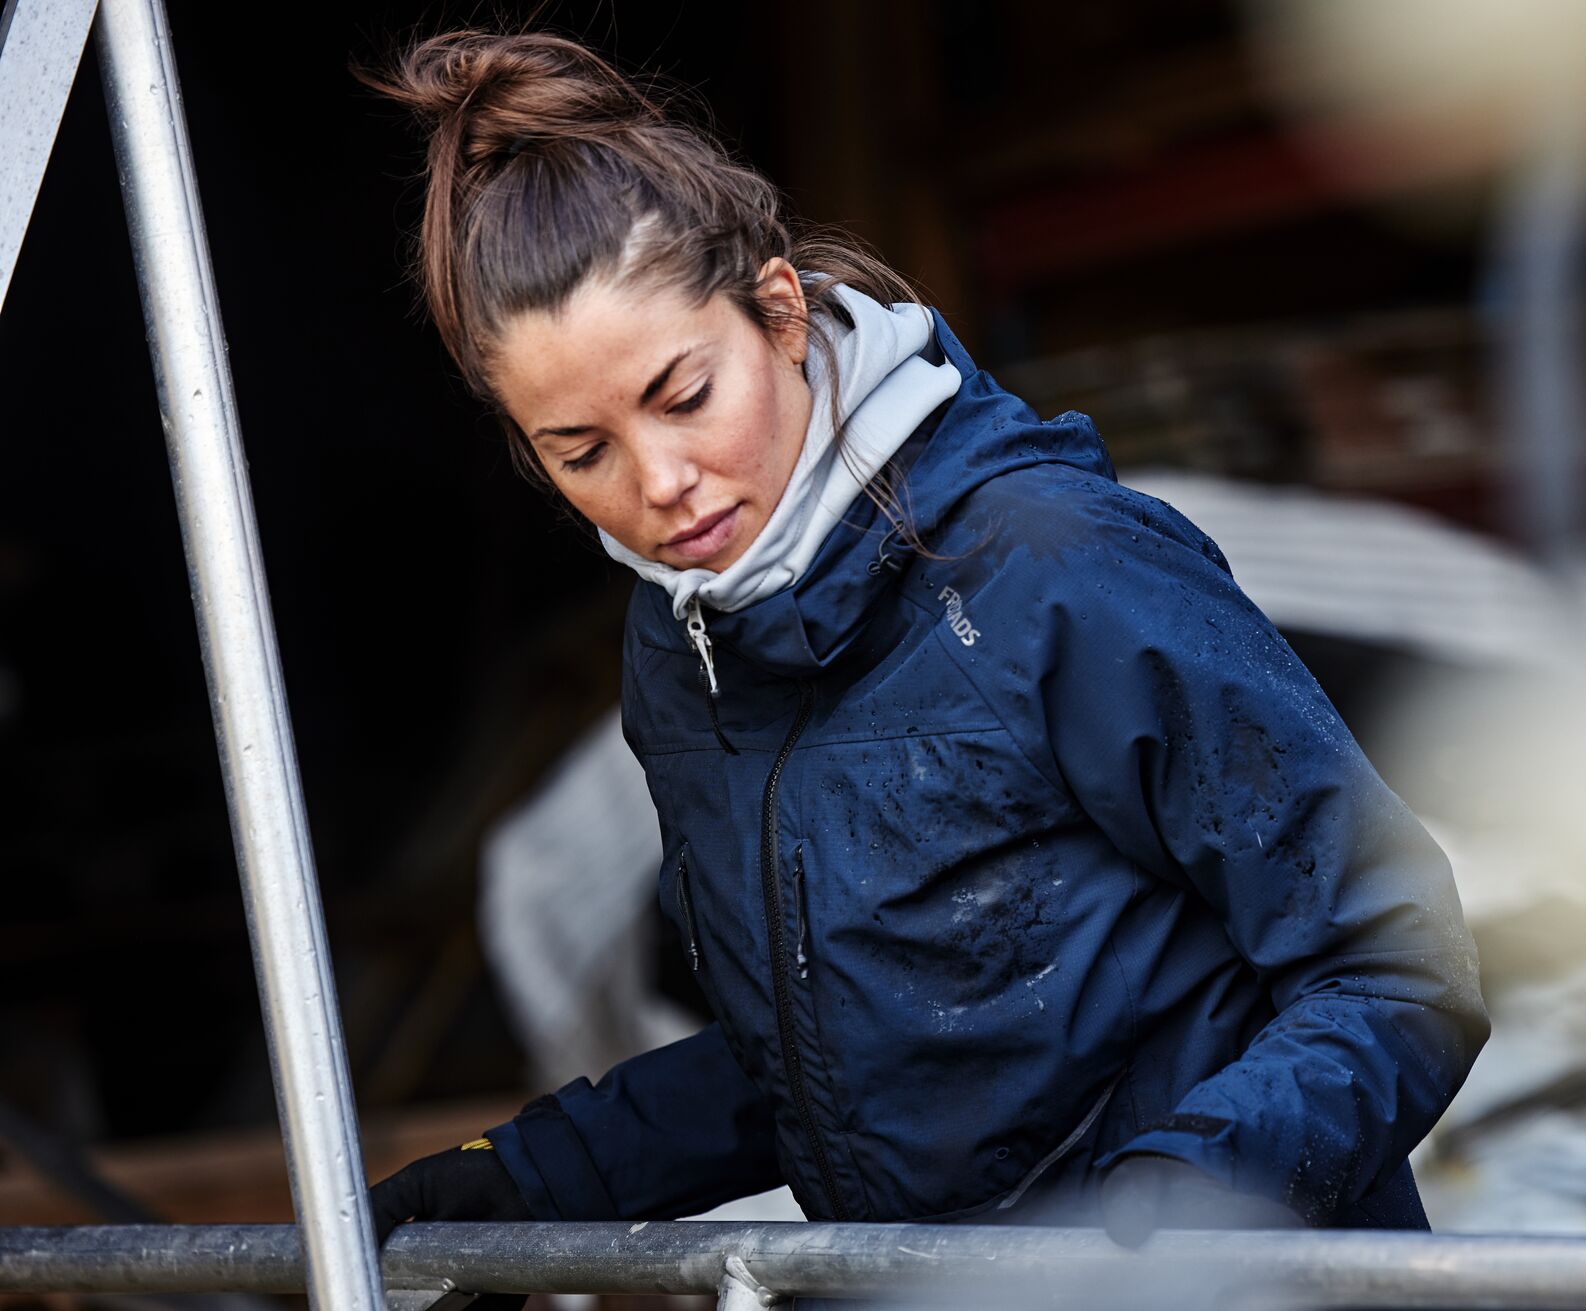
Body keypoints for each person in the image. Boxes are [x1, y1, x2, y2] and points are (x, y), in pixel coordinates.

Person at [361, 28, 1488, 1276]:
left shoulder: (1056, 566)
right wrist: (544, 1176)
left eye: (684, 396)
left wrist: (1193, 1198)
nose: (660, 482)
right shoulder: (687, 654)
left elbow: (1393, 960)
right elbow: (818, 1053)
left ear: (781, 314)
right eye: (583, 452)